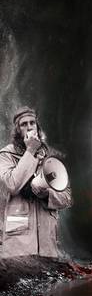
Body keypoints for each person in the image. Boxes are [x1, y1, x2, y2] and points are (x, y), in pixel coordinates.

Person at [0, 106, 72, 258]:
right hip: (18, 243)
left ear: (37, 126)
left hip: (48, 245)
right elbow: (12, 185)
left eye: (32, 123)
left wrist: (47, 194)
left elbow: (66, 199)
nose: (29, 127)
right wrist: (30, 151)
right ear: (17, 130)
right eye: (24, 124)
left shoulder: (50, 158)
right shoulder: (6, 155)